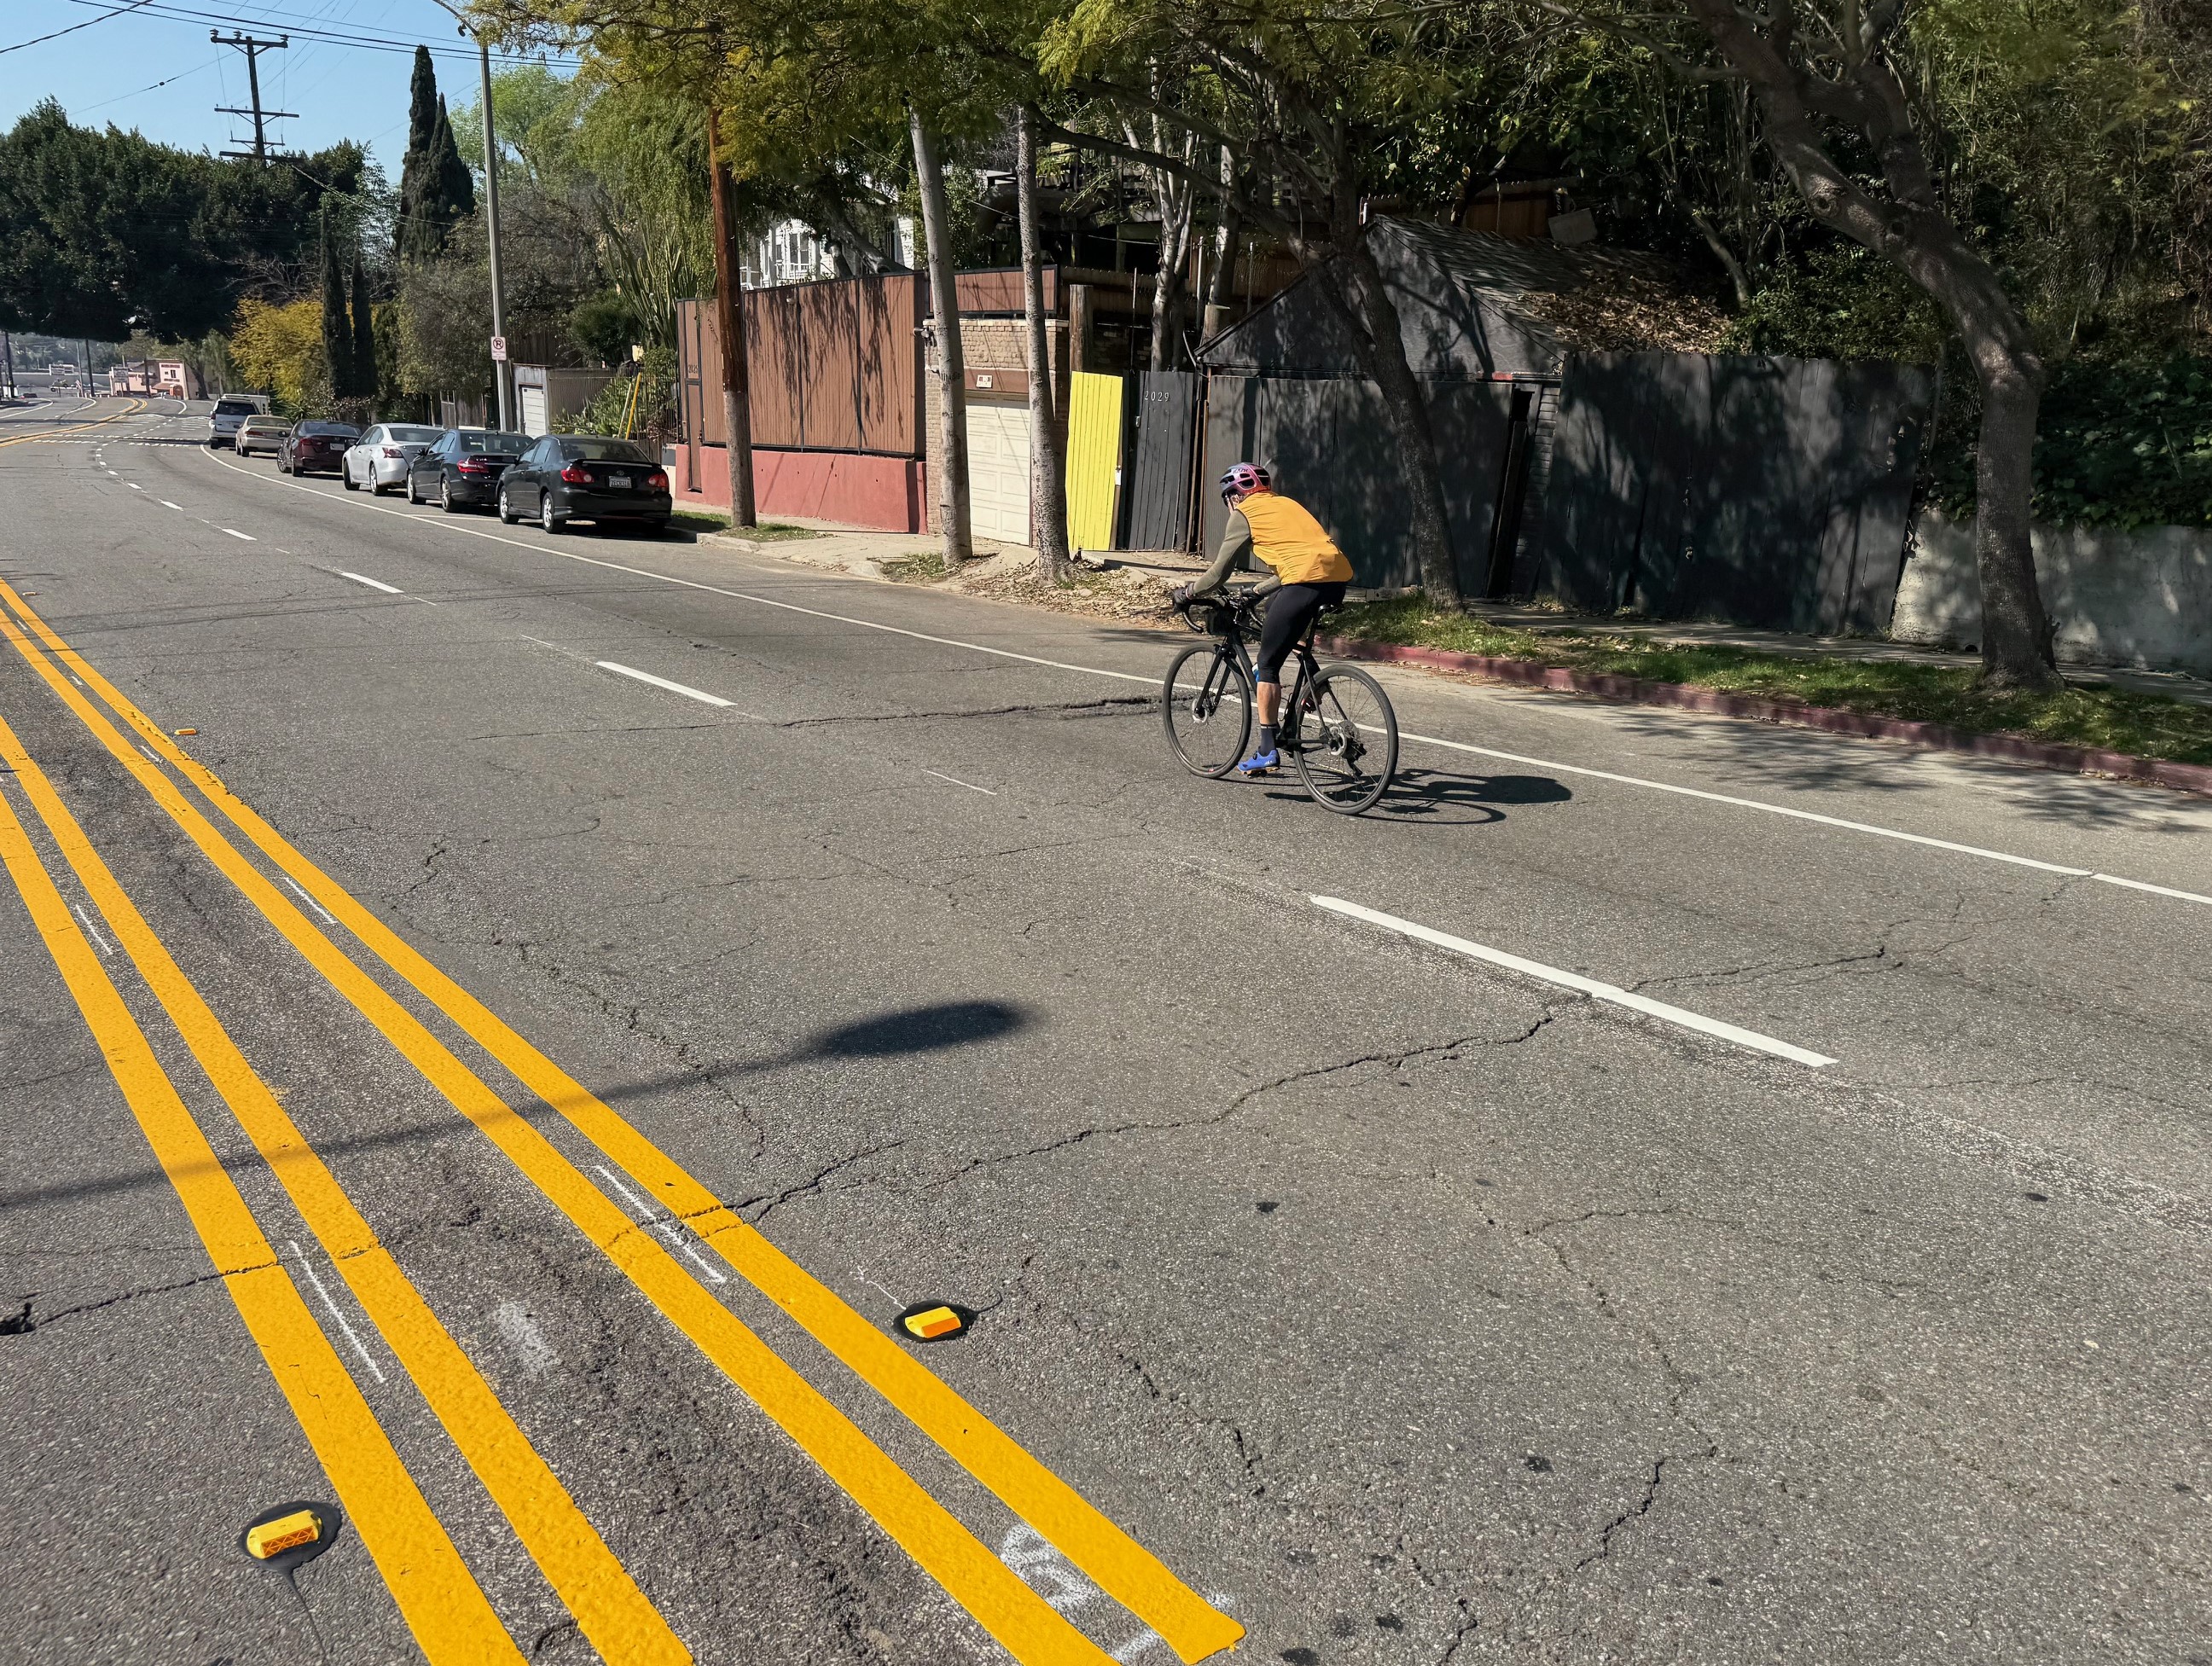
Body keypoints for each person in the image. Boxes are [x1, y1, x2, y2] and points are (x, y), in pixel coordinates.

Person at [1171, 463, 1354, 775]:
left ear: (1233, 496)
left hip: (1304, 581)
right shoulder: (1286, 504)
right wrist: (1255, 591)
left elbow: (1219, 573)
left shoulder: (1244, 513)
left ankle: (1268, 751)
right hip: (1336, 579)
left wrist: (1188, 593)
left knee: (1267, 665)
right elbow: (1292, 566)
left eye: (1227, 499)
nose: (1229, 505)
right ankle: (1314, 683)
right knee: (1276, 613)